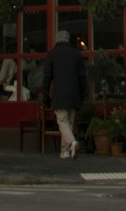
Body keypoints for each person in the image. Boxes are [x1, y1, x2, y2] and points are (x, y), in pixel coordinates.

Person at [42, 29, 88, 160]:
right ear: (68, 39)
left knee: (62, 121)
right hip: (74, 93)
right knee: (69, 122)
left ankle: (72, 143)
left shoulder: (52, 54)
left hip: (60, 93)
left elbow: (47, 76)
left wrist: (45, 92)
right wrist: (82, 93)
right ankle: (65, 151)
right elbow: (82, 77)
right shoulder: (76, 54)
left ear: (57, 39)